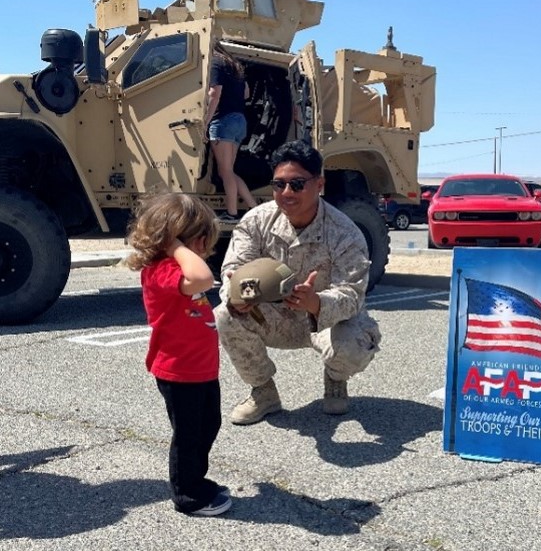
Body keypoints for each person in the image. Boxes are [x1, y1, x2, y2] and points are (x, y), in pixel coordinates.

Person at [214, 140, 382, 425]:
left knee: (356, 341)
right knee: (225, 314)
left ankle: (335, 377)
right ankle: (263, 392)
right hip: (274, 317)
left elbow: (353, 294)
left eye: (297, 184)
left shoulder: (345, 232)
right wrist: (239, 296)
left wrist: (317, 302)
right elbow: (233, 269)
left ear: (320, 185)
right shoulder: (256, 221)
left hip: (325, 321)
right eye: (279, 185)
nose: (286, 193)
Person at [126, 192, 231, 517]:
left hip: (200, 370)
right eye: (202, 242)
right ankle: (188, 494)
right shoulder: (161, 272)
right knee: (188, 436)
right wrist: (176, 246)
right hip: (179, 372)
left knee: (208, 425)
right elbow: (203, 278)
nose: (205, 250)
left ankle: (196, 479)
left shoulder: (176, 271)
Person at [206, 42, 258, 223]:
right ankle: (253, 209)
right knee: (229, 171)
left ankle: (232, 213)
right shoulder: (235, 66)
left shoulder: (214, 63)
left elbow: (214, 93)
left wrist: (205, 121)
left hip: (223, 121)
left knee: (225, 172)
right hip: (239, 120)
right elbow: (246, 93)